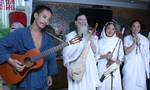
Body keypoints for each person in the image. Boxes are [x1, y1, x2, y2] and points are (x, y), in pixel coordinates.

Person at [0, 5, 58, 90]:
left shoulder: (48, 38)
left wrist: (49, 75)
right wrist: (11, 61)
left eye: (48, 19)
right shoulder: (19, 34)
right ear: (35, 15)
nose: (46, 21)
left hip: (42, 79)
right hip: (24, 81)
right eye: (44, 17)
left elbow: (51, 58)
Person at [62, 13, 100, 90]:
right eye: (80, 19)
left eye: (84, 19)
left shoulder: (92, 35)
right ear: (76, 22)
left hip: (89, 67)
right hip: (75, 67)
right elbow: (66, 55)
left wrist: (90, 39)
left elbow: (96, 51)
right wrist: (69, 69)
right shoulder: (70, 36)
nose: (83, 21)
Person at [96, 21, 124, 90]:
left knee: (113, 85)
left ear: (115, 30)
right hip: (102, 67)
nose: (110, 30)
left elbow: (121, 56)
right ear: (105, 29)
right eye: (108, 28)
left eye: (113, 29)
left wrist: (116, 62)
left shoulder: (118, 41)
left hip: (114, 67)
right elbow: (95, 56)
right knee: (102, 86)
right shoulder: (99, 41)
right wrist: (105, 56)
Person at [122, 19, 150, 90]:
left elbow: (147, 55)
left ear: (140, 28)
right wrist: (134, 43)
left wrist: (139, 44)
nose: (136, 28)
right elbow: (126, 52)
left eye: (138, 26)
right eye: (134, 26)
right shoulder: (126, 38)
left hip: (140, 67)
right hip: (129, 67)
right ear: (131, 28)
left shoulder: (145, 40)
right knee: (128, 85)